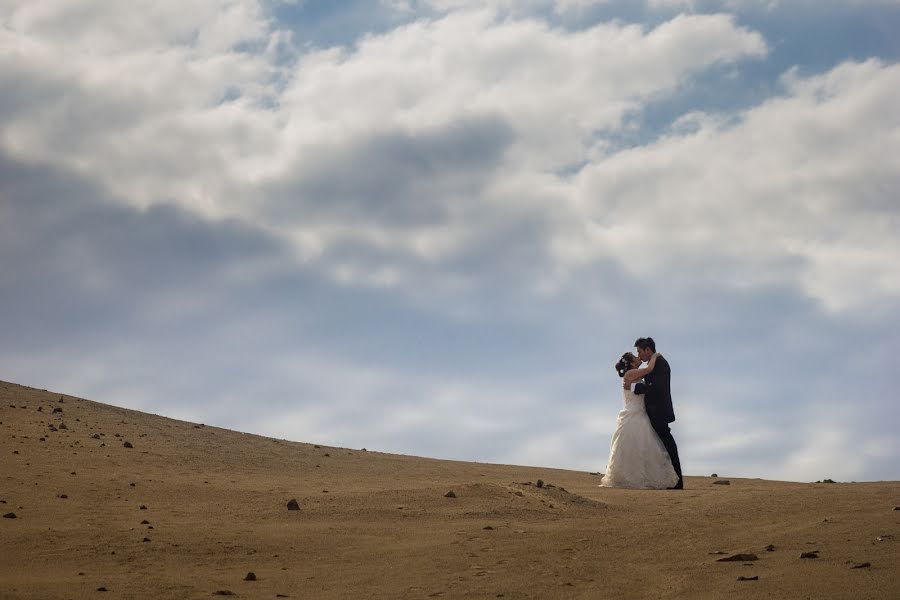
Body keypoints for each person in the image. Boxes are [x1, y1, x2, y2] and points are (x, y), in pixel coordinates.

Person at [600, 350, 679, 489]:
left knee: (642, 448)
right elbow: (649, 369)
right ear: (631, 363)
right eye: (635, 357)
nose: (638, 358)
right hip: (633, 414)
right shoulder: (630, 374)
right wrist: (655, 356)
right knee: (635, 447)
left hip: (641, 414)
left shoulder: (633, 376)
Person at [629, 337, 684, 489]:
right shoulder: (654, 364)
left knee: (667, 446)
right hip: (654, 412)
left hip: (659, 412)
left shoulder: (660, 363)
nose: (639, 355)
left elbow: (657, 388)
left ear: (648, 350)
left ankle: (677, 481)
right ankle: (672, 480)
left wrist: (638, 388)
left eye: (640, 351)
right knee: (662, 446)